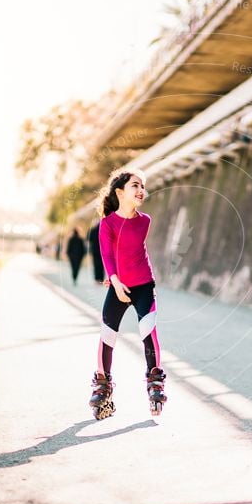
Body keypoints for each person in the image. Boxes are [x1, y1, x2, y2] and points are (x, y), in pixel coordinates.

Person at [88, 168, 167, 419]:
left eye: (143, 186)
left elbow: (134, 252)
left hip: (144, 285)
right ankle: (103, 386)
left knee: (147, 330)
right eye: (135, 185)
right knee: (107, 333)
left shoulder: (145, 221)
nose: (141, 190)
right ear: (120, 192)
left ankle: (155, 381)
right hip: (118, 286)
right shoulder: (107, 224)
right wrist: (114, 280)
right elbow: (108, 254)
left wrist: (125, 279)